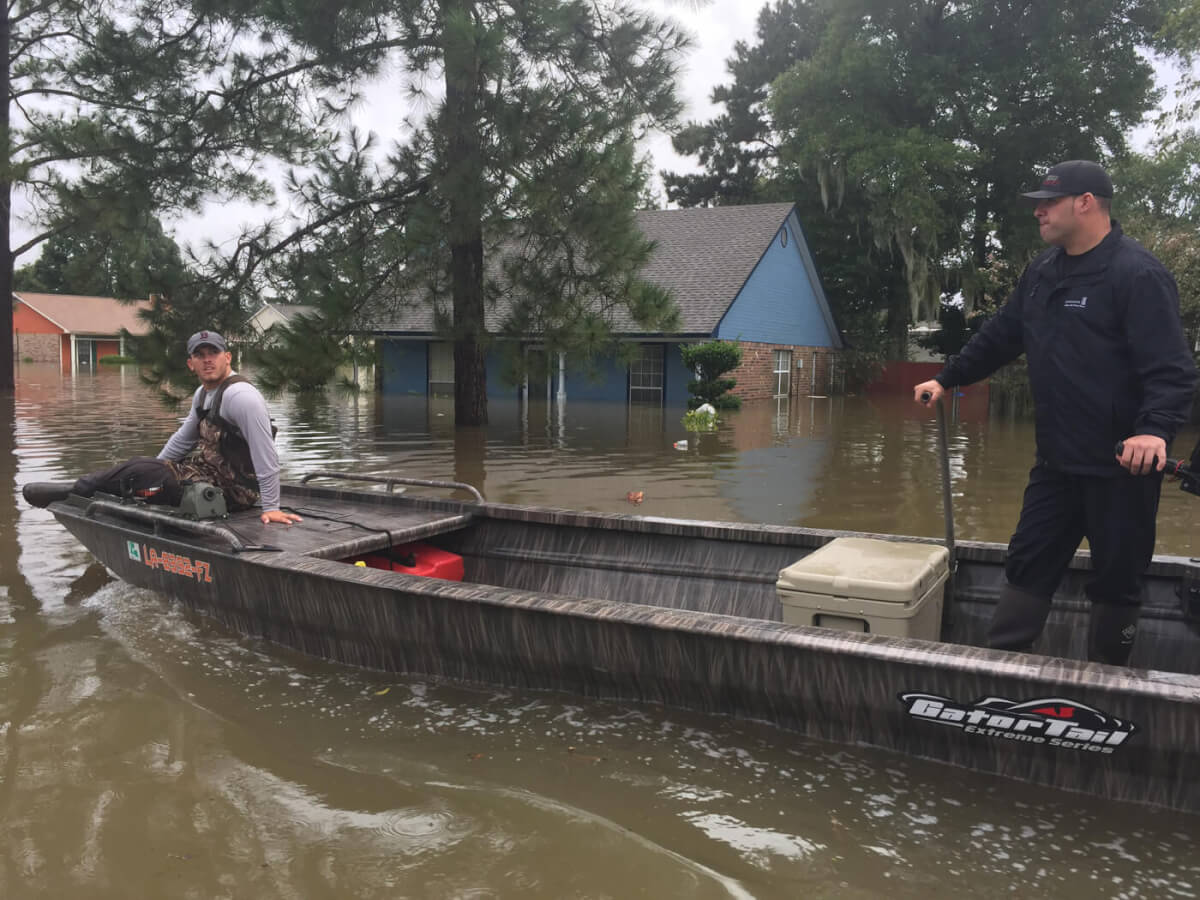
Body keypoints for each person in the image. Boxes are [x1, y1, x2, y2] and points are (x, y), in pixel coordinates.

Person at [913, 159, 1197, 666]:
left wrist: (1154, 431)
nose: (1038, 212)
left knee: (1118, 577)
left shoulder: (1138, 274)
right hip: (1057, 463)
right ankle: (1001, 672)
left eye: (1048, 202)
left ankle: (1107, 684)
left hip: (1123, 468)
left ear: (1085, 203)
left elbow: (1172, 370)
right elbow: (1002, 334)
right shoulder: (1042, 272)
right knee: (1028, 561)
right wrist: (947, 377)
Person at [27, 330, 302, 526]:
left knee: (140, 470)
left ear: (227, 357)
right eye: (200, 355)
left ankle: (74, 490)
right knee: (144, 471)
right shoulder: (203, 394)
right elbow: (182, 441)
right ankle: (91, 490)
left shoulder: (241, 397)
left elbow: (266, 454)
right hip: (207, 475)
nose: (208, 360)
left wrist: (272, 508)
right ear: (190, 363)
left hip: (237, 492)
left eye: (214, 353)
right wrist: (154, 468)